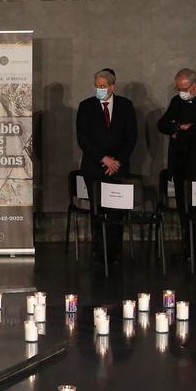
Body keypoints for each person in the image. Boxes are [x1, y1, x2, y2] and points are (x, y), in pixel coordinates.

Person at [76, 67, 137, 259]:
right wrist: (104, 159)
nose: (99, 89)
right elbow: (83, 139)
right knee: (98, 209)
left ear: (112, 86)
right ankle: (99, 250)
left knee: (116, 212)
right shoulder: (86, 106)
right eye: (96, 86)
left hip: (118, 168)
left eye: (103, 86)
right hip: (95, 166)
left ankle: (115, 250)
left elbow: (131, 137)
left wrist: (117, 162)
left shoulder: (126, 106)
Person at [156, 68, 196, 211]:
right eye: (178, 88)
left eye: (184, 88)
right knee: (183, 208)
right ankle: (186, 233)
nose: (181, 92)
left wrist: (176, 129)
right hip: (179, 163)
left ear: (195, 85)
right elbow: (162, 124)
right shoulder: (176, 101)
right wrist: (181, 127)